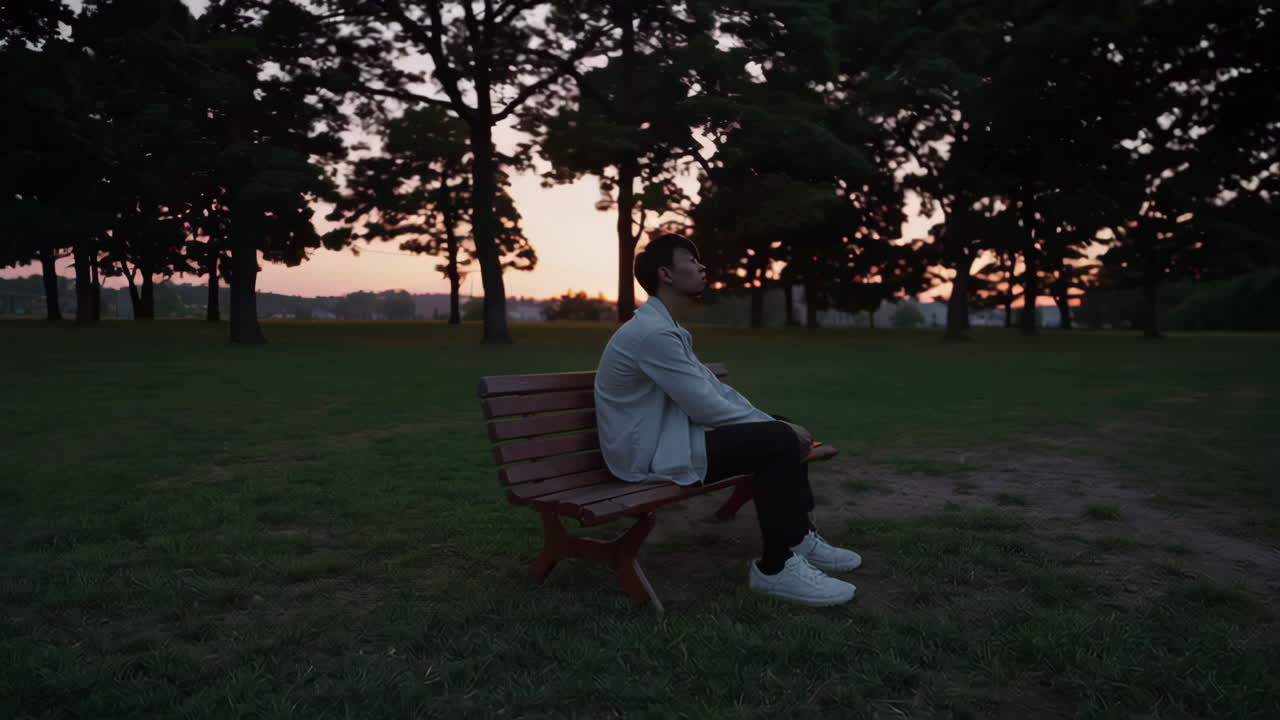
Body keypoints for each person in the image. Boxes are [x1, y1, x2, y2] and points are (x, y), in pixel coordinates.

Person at [593, 233, 861, 607]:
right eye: (692, 259)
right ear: (666, 274)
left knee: (778, 430)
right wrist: (779, 431)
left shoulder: (666, 329)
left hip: (669, 438)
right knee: (777, 439)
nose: (702, 267)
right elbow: (706, 408)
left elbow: (717, 394)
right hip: (648, 453)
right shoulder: (652, 333)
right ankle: (776, 568)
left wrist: (774, 423)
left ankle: (798, 537)